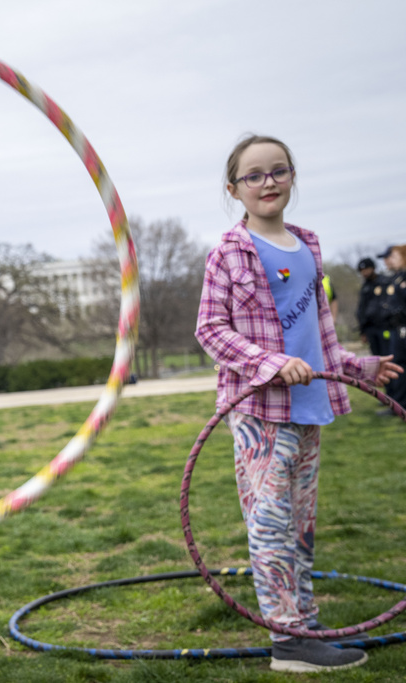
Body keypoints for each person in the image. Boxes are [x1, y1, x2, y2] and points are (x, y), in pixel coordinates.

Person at [196, 134, 402, 673]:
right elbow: (210, 329)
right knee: (269, 523)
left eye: (278, 171)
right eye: (254, 175)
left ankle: (305, 623)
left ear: (292, 177)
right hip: (260, 411)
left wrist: (359, 366)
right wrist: (268, 364)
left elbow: (318, 331)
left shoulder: (307, 245)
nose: (268, 182)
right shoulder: (229, 252)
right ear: (233, 189)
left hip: (311, 405)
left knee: (300, 524)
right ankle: (288, 642)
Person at [376, 244, 406, 413]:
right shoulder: (397, 278)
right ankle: (399, 405)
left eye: (394, 256)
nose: (389, 261)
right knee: (399, 366)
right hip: (397, 328)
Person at [355, 257, 387, 356]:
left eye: (366, 269)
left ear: (373, 268)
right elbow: (362, 309)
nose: (365, 273)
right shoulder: (365, 287)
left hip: (385, 326)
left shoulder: (384, 282)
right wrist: (362, 331)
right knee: (377, 356)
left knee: (389, 353)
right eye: (362, 271)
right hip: (370, 328)